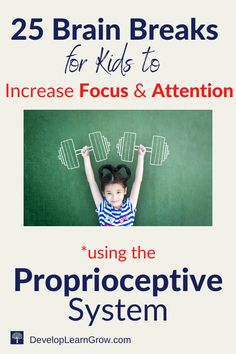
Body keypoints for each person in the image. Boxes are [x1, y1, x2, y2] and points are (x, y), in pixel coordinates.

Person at [81, 145, 146, 226]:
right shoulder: (103, 207)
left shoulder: (130, 206)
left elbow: (138, 181)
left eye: (118, 192)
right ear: (103, 193)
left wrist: (141, 156)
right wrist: (86, 158)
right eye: (109, 193)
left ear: (125, 191)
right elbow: (91, 182)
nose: (114, 197)